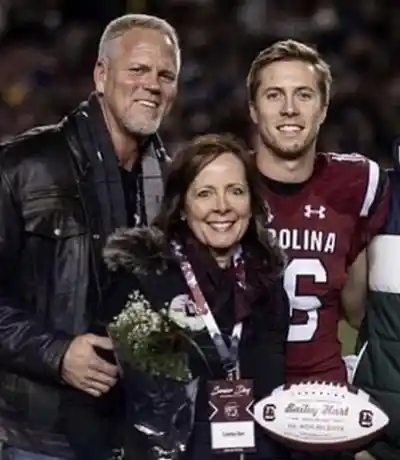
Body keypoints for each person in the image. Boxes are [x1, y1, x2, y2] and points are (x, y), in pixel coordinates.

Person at [0, 13, 180, 460]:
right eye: (137, 69)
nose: (152, 84)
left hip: (134, 433)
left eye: (165, 75)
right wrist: (57, 354)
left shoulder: (172, 184)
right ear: (101, 75)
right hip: (39, 437)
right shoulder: (22, 168)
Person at [103, 133, 291, 460]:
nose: (222, 206)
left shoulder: (267, 280)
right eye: (205, 193)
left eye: (235, 191)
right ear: (181, 208)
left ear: (251, 201)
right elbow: (137, 408)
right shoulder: (145, 282)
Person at [246, 40, 389, 459]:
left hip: (325, 407)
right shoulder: (225, 181)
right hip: (239, 401)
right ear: (254, 110)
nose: (289, 108)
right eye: (274, 95)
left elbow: (355, 306)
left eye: (303, 95)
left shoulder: (357, 182)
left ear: (323, 108)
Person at [352, 159, 400, 460]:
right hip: (375, 430)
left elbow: (354, 308)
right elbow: (354, 309)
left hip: (377, 416)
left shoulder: (380, 191)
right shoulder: (376, 192)